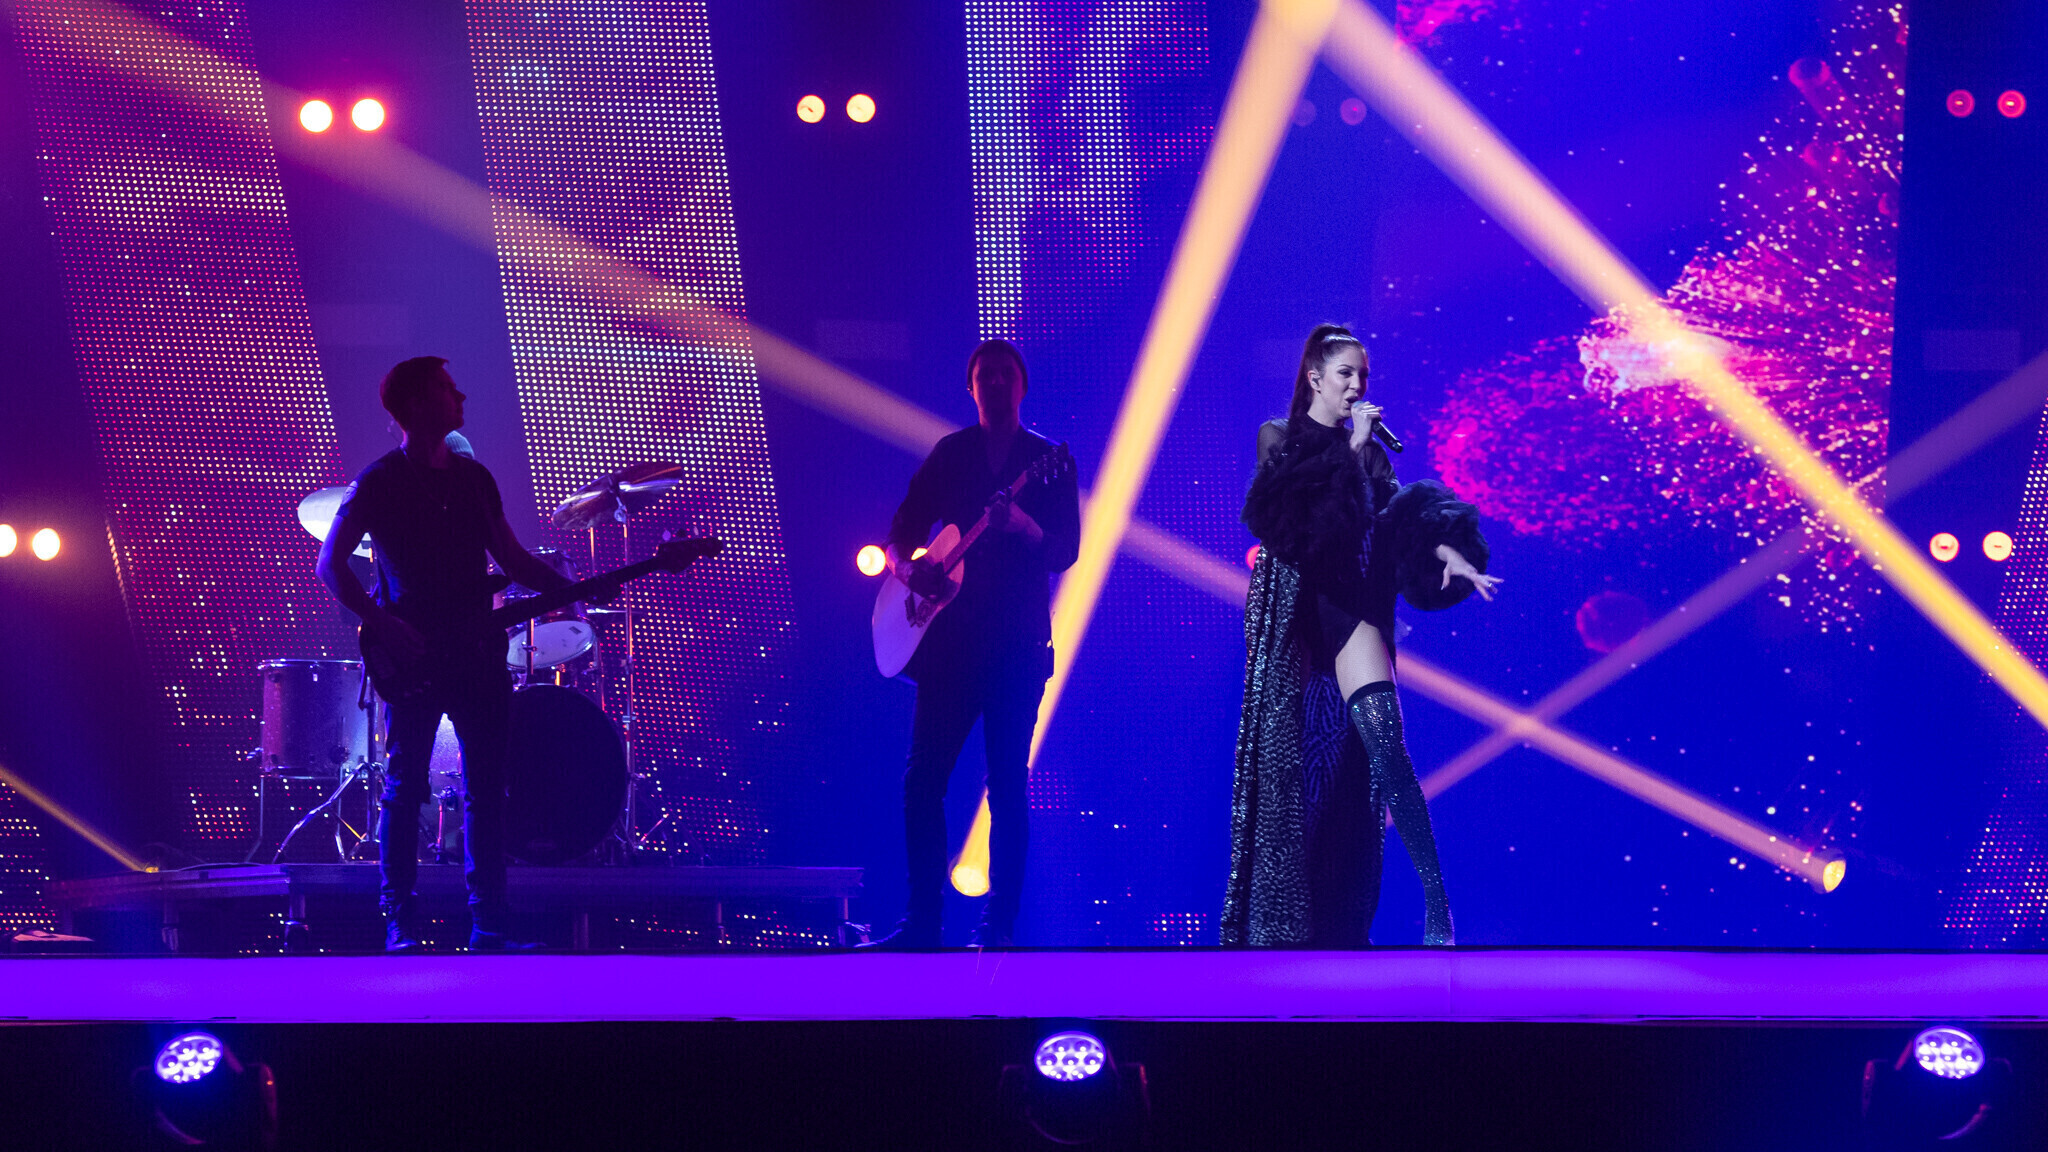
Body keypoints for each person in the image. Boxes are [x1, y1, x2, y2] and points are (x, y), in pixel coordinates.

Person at [1222, 324, 1501, 948]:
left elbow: (1401, 523)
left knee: (1387, 749)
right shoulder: (1279, 436)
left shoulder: (1373, 453)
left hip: (1351, 609)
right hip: (1297, 614)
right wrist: (1351, 446)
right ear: (1315, 378)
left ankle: (1437, 903)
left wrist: (1449, 555)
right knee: (1289, 773)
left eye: (1363, 376)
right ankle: (1288, 920)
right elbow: (1290, 520)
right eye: (1345, 373)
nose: (1356, 386)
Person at [315, 356, 572, 952]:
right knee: (405, 787)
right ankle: (399, 922)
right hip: (413, 657)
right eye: (446, 389)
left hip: (477, 652)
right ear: (414, 404)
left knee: (486, 789)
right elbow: (330, 564)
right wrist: (382, 623)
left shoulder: (474, 479)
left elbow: (512, 560)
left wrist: (572, 588)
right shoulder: (379, 480)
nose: (461, 396)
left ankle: (489, 926)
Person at [864, 339, 1080, 949]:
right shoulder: (950, 454)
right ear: (971, 388)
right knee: (922, 782)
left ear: (1023, 385)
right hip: (950, 648)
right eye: (986, 375)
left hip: (1015, 650)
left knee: (1007, 785)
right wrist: (908, 569)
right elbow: (902, 527)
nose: (996, 383)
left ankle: (1000, 927)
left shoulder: (1047, 461)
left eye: (1006, 374)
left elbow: (1066, 551)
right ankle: (922, 923)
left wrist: (1024, 525)